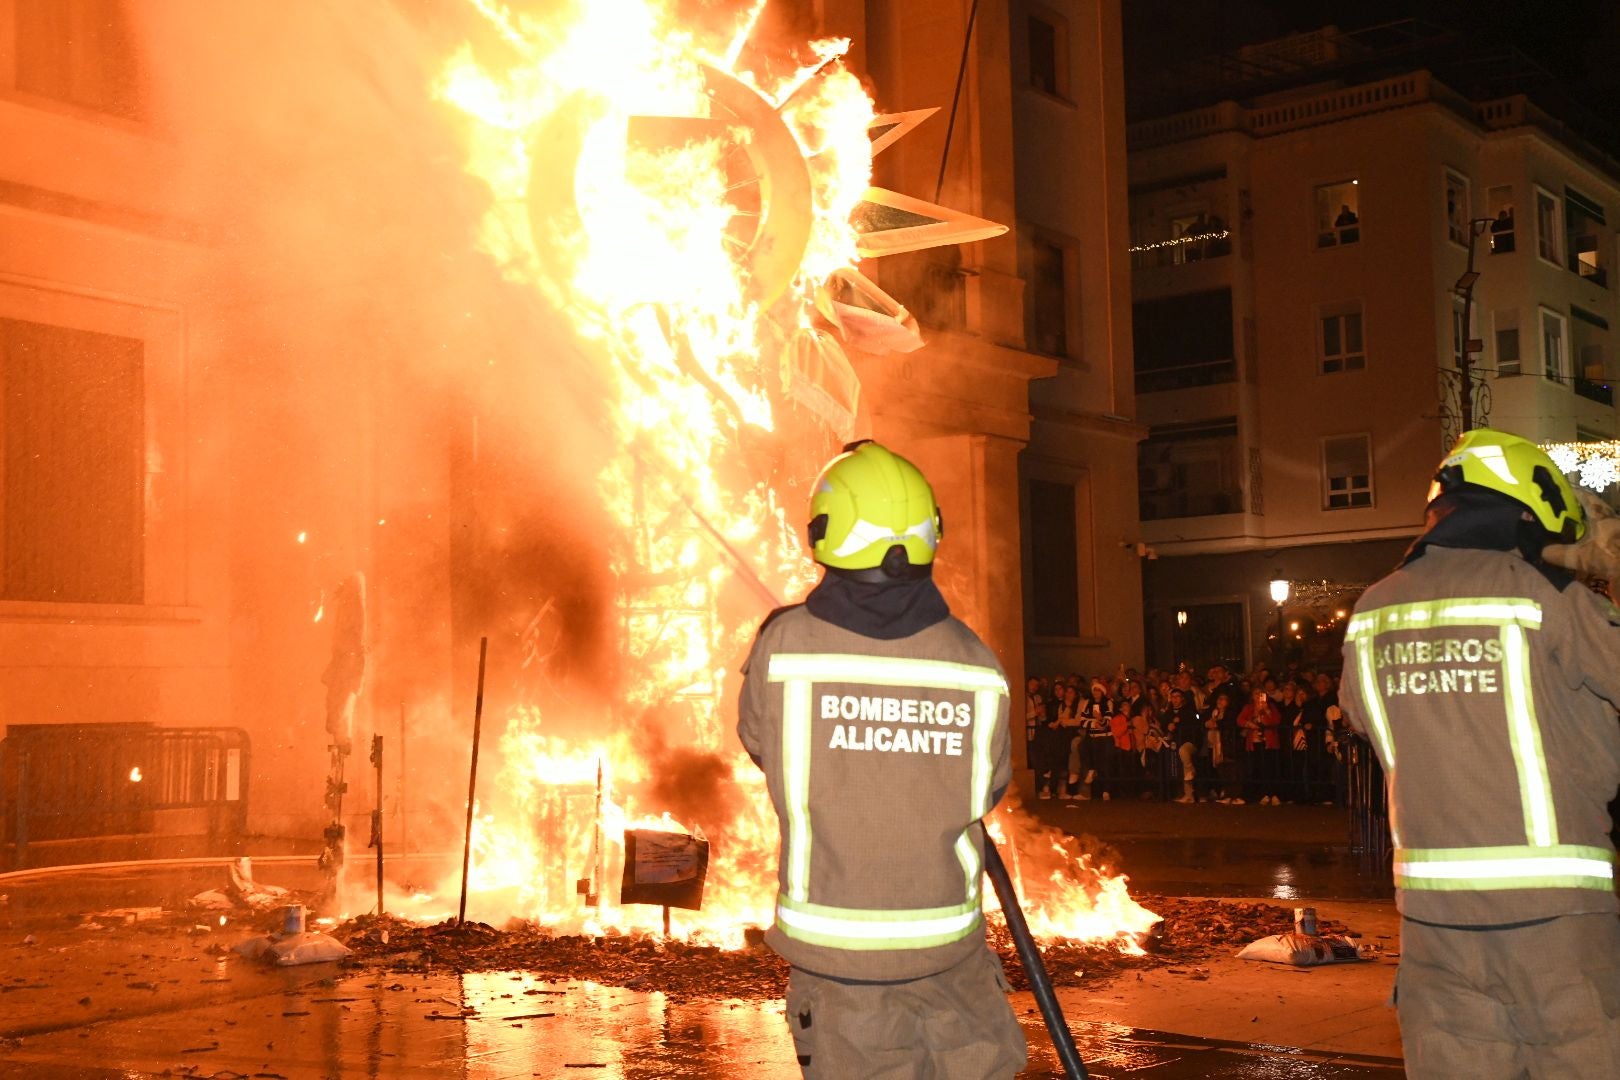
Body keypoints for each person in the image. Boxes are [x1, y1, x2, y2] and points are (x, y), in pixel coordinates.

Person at [736, 440, 1026, 1079]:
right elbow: (990, 786)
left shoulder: (782, 646)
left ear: (825, 532)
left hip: (841, 967)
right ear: (931, 533)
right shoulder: (977, 661)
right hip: (951, 949)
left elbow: (760, 745)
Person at [1338, 428, 1620, 1079]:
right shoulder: (1546, 597)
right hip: (1556, 924)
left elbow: (1358, 714)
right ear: (1530, 510)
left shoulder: (1372, 610)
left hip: (1434, 932)